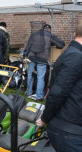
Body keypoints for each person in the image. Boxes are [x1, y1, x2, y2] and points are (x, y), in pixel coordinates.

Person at [36, 22, 82, 152]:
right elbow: (58, 92)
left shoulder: (74, 54)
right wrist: (45, 118)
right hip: (69, 131)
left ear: (74, 34)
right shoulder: (76, 56)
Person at [24, 24, 65, 100]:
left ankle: (28, 93)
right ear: (49, 29)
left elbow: (28, 46)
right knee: (40, 77)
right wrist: (52, 44)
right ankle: (39, 96)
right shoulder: (50, 35)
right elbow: (61, 44)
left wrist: (25, 55)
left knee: (30, 76)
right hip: (42, 59)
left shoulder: (34, 34)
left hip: (32, 57)